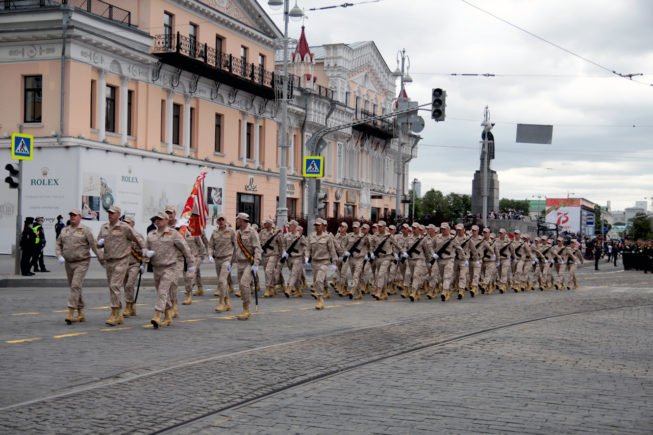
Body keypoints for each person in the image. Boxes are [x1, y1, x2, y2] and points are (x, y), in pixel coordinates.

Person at [97, 205, 146, 326]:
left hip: (123, 261)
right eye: (109, 212)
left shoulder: (125, 228)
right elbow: (97, 243)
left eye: (112, 213)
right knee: (112, 287)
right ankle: (118, 313)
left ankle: (115, 312)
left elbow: (138, 240)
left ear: (118, 215)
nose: (110, 214)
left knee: (116, 285)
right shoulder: (104, 227)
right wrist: (100, 244)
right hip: (109, 261)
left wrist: (144, 255)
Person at [146, 212, 194, 328]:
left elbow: (184, 247)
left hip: (169, 267)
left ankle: (157, 315)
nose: (158, 221)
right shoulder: (151, 234)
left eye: (160, 219)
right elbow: (145, 248)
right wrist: (144, 259)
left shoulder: (173, 234)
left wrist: (190, 263)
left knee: (162, 291)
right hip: (157, 267)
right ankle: (168, 315)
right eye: (156, 219)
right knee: (161, 292)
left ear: (167, 221)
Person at [56, 209, 104, 324]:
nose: (72, 217)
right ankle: (81, 312)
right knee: (75, 287)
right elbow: (58, 243)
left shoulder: (85, 230)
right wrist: (59, 255)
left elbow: (94, 246)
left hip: (82, 262)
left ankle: (70, 312)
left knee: (75, 285)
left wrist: (102, 260)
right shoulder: (64, 230)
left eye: (74, 215)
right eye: (71, 215)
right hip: (68, 262)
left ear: (79, 217)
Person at [230, 212, 262, 320]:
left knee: (244, 284)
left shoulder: (252, 232)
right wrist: (230, 263)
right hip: (239, 263)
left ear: (242, 221)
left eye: (238, 220)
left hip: (249, 262)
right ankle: (244, 308)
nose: (237, 221)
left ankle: (247, 310)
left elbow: (257, 248)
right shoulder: (237, 233)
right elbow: (235, 249)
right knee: (242, 286)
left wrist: (256, 263)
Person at [306, 218, 337, 310]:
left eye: (318, 225)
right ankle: (325, 290)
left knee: (319, 280)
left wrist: (334, 262)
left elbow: (332, 250)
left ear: (323, 226)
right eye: (315, 225)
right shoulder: (311, 236)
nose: (316, 227)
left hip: (324, 262)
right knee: (317, 281)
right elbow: (308, 248)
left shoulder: (327, 237)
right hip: (314, 262)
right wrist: (306, 256)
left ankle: (320, 300)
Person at [208, 213, 236, 312]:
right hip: (218, 259)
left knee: (221, 280)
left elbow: (236, 245)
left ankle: (221, 303)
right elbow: (210, 245)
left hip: (227, 259)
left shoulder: (231, 231)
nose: (221, 222)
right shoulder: (214, 232)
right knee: (223, 282)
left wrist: (234, 259)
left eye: (222, 220)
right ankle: (227, 302)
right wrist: (210, 255)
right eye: (219, 220)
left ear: (226, 221)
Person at [122, 216, 146, 317]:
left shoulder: (138, 236)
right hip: (123, 264)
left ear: (133, 224)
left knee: (129, 285)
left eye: (128, 222)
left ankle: (128, 306)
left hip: (134, 264)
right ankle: (132, 306)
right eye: (124, 222)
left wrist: (143, 264)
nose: (126, 224)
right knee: (126, 286)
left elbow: (144, 250)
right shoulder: (121, 236)